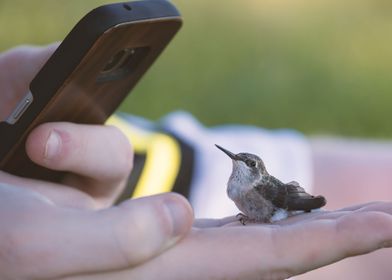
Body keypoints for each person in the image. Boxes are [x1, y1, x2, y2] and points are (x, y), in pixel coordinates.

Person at [1, 44, 392, 280]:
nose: (236, 163)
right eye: (238, 161)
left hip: (163, 161)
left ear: (256, 171)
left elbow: (281, 201)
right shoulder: (232, 188)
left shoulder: (262, 186)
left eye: (245, 163)